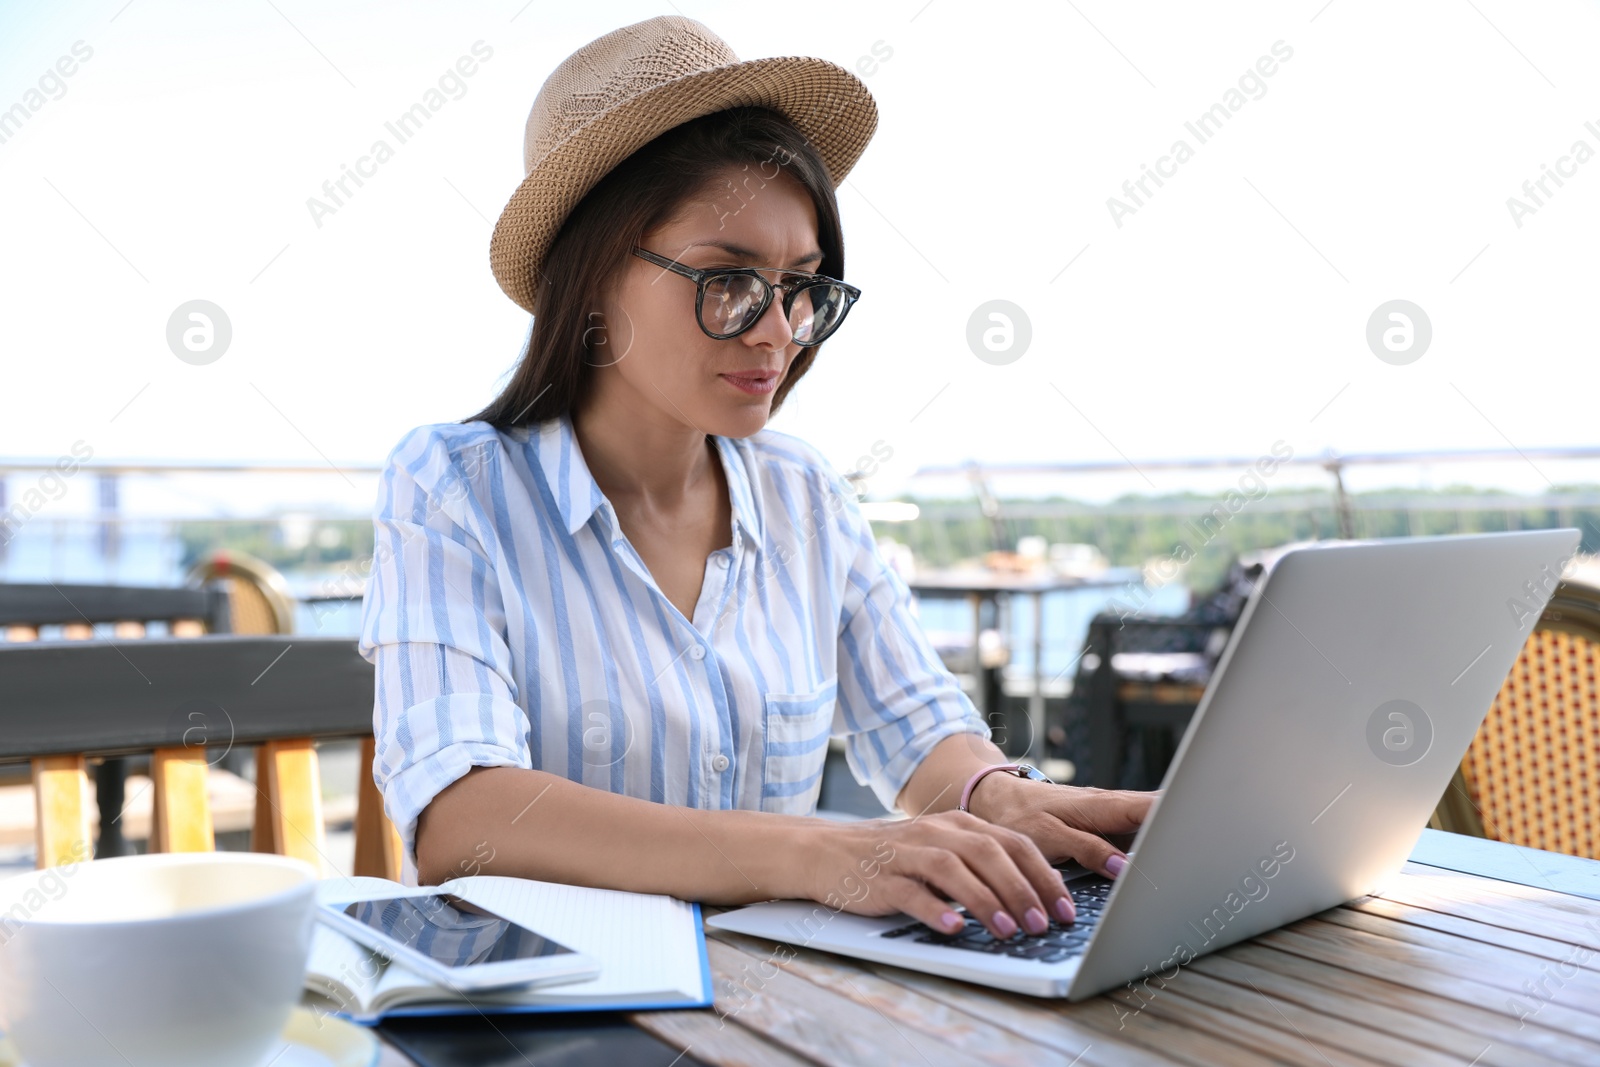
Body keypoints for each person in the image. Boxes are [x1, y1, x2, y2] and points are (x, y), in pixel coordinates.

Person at [359, 15, 1154, 944]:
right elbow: (465, 818)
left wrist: (998, 798)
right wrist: (821, 851)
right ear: (594, 275)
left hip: (778, 999)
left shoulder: (801, 493)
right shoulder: (455, 486)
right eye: (728, 280)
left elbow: (916, 723)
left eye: (802, 286)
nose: (777, 331)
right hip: (563, 1016)